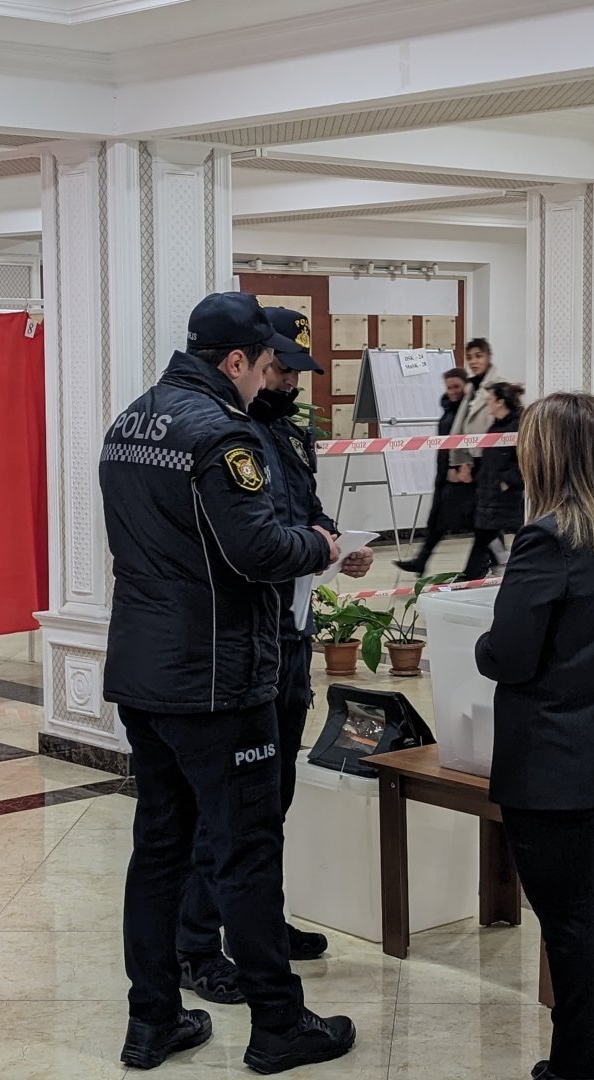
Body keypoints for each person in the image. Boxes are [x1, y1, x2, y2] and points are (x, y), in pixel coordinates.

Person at [100, 291, 356, 1074]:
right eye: (262, 367)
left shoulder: (131, 422)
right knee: (246, 851)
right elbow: (257, 552)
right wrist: (320, 546)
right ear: (235, 362)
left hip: (146, 675)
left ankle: (153, 1022)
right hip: (218, 679)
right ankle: (278, 1025)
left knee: (159, 848)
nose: (267, 382)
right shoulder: (222, 434)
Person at [174, 307, 374, 998]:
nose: (289, 381)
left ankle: (259, 922)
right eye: (280, 368)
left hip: (289, 636)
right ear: (253, 361)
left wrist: (332, 545)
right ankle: (198, 945)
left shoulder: (288, 436)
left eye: (296, 371)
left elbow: (309, 513)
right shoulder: (224, 433)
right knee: (227, 806)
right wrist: (305, 545)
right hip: (238, 642)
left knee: (272, 797)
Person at [474, 392, 594, 1080]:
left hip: (550, 769)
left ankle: (578, 1070)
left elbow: (510, 656)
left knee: (572, 924)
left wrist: (483, 650)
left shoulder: (547, 539)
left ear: (543, 455)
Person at [395, 366, 472, 574]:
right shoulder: (449, 408)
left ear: (466, 385)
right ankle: (421, 561)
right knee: (436, 520)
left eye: (457, 386)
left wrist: (461, 467)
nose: (452, 391)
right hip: (444, 472)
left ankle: (485, 563)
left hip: (461, 477)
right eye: (449, 387)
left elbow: (469, 441)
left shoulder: (469, 410)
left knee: (479, 526)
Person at [460, 381, 525, 582]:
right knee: (484, 535)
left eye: (490, 399)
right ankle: (478, 574)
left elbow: (523, 460)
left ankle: (476, 575)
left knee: (508, 533)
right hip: (489, 492)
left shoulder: (516, 426)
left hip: (505, 494)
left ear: (500, 401)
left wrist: (507, 481)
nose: (488, 402)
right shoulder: (496, 426)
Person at [446, 337, 500, 482]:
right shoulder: (471, 387)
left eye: (478, 356)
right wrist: (460, 461)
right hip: (471, 458)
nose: (473, 362)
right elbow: (462, 424)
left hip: (491, 458)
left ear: (488, 357)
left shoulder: (498, 387)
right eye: (469, 358)